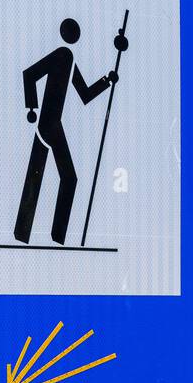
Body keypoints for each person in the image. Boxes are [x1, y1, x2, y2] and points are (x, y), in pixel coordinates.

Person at [14, 18, 125, 246]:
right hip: (47, 124)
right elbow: (29, 74)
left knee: (51, 176)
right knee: (61, 177)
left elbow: (84, 94)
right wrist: (32, 107)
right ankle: (44, 235)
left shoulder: (69, 58)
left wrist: (107, 79)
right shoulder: (61, 55)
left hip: (53, 124)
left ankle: (39, 235)